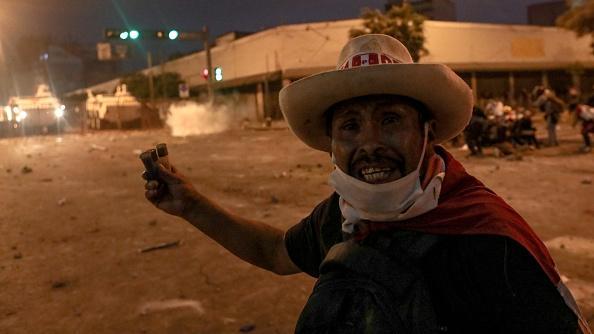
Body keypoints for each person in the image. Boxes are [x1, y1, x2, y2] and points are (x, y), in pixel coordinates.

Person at [142, 35, 590, 333]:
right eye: (350, 126)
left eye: (390, 120)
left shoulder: (490, 239)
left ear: (427, 131)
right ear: (331, 144)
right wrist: (191, 205)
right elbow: (276, 253)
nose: (370, 144)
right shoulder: (341, 213)